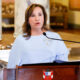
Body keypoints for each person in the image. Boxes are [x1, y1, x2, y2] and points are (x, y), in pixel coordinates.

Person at [7, 4, 69, 69]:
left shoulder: (55, 37)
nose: (37, 19)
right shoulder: (20, 40)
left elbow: (63, 63)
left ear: (44, 18)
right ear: (27, 20)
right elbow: (11, 67)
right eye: (33, 15)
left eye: (40, 15)